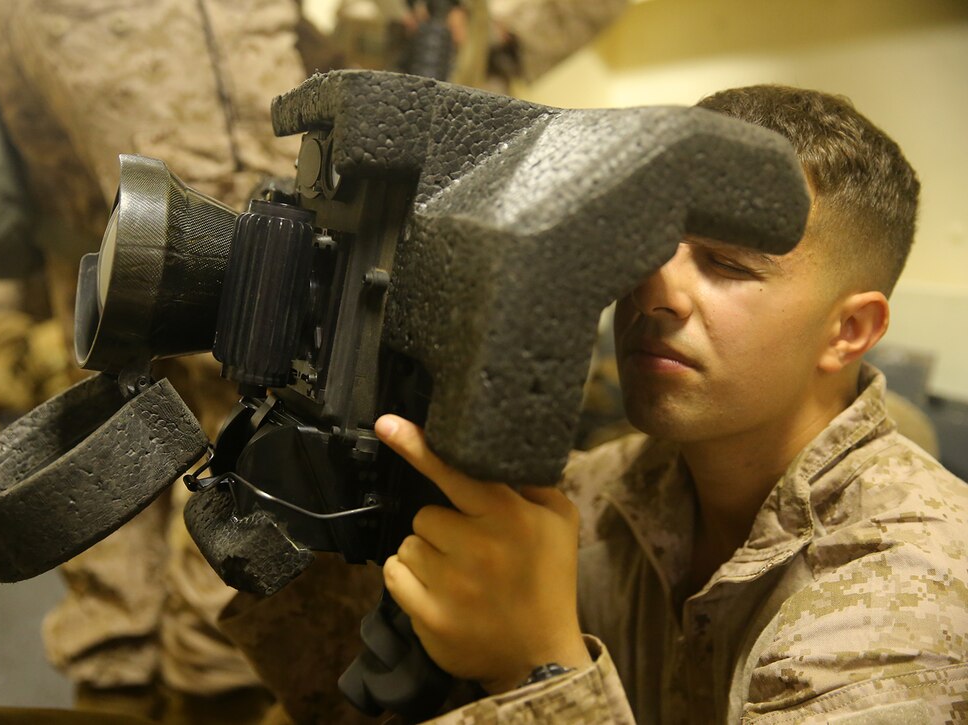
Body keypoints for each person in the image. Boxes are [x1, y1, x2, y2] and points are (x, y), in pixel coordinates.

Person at [220, 85, 968, 722]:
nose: (657, 289)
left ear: (850, 331)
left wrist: (537, 664)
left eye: (725, 264)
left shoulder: (912, 590)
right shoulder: (608, 489)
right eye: (650, 244)